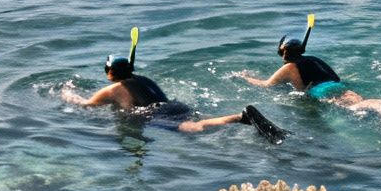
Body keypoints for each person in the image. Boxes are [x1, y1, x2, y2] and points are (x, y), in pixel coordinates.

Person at [64, 49, 287, 141]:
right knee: (201, 119)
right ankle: (238, 118)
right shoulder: (144, 79)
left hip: (156, 114)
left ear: (110, 72)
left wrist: (68, 95)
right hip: (174, 105)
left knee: (194, 128)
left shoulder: (112, 89)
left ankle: (241, 117)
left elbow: (87, 105)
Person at [240, 31, 381, 120]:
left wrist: (245, 77)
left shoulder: (289, 67)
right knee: (358, 101)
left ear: (282, 52)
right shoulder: (313, 59)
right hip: (337, 85)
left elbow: (266, 85)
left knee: (351, 107)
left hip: (320, 91)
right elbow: (335, 76)